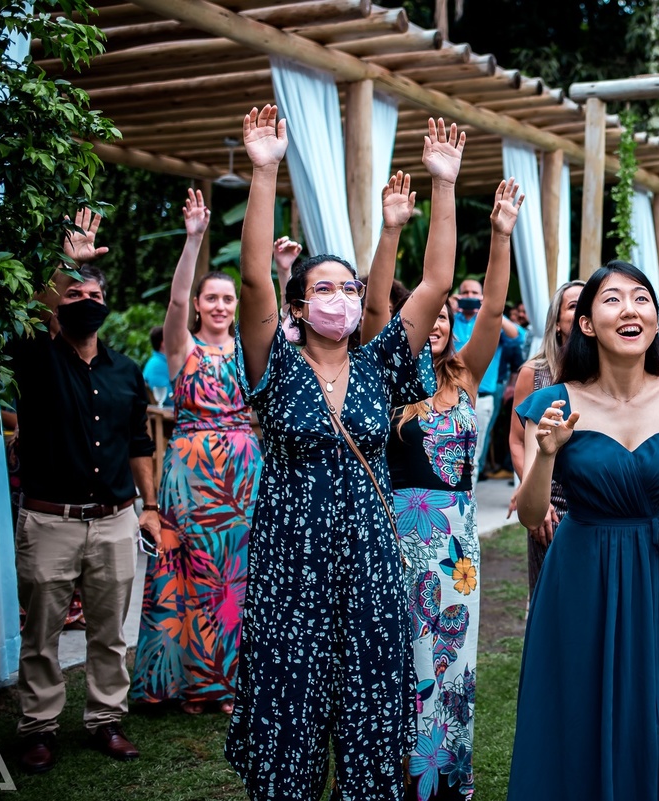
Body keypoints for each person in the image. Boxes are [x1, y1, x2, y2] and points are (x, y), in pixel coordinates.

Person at [223, 105, 461, 801]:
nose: (339, 297)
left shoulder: (381, 365)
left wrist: (443, 185)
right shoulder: (277, 365)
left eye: (349, 287)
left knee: (370, 701)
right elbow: (254, 282)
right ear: (297, 307)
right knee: (289, 700)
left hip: (369, 556)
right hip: (291, 559)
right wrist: (265, 169)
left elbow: (436, 284)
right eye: (322, 287)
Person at [509, 261, 659, 801]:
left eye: (642, 298)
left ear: (655, 319)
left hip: (649, 573)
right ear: (586, 324)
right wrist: (543, 458)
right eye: (612, 300)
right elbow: (530, 512)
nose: (630, 309)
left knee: (654, 706)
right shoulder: (552, 401)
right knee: (576, 708)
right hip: (578, 573)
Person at [378, 179, 523, 801]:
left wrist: (501, 235)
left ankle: (448, 779)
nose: (435, 323)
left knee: (454, 660)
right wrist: (393, 230)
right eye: (426, 315)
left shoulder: (465, 375)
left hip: (457, 540)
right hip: (397, 532)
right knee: (401, 660)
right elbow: (381, 308)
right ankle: (400, 773)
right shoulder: (383, 377)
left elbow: (492, 308)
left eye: (443, 315)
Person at [9, 207, 160, 772]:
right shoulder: (36, 359)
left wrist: (148, 508)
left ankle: (105, 720)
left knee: (109, 630)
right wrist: (69, 263)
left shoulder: (125, 372)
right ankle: (38, 728)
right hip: (50, 520)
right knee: (42, 631)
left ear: (106, 303)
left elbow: (139, 442)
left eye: (91, 294)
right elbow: (37, 307)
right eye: (72, 295)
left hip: (116, 517)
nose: (82, 300)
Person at [129, 189, 262, 717]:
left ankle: (225, 686)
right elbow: (177, 302)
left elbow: (273, 322)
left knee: (235, 577)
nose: (221, 306)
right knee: (188, 571)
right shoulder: (182, 349)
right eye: (214, 299)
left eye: (229, 300)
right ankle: (184, 685)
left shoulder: (250, 352)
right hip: (190, 473)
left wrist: (279, 271)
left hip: (242, 472)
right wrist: (193, 239)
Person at [507, 279, 584, 597]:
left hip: (595, 503)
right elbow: (515, 441)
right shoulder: (534, 374)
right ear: (556, 323)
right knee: (548, 598)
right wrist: (535, 500)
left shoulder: (610, 375)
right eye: (573, 305)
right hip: (549, 505)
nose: (582, 311)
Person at [451, 277, 522, 479]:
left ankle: (468, 507)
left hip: (481, 397)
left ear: (482, 296)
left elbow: (518, 336)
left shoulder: (490, 321)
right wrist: (448, 303)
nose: (470, 297)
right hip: (449, 393)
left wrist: (489, 309)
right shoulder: (450, 318)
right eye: (465, 293)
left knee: (473, 456)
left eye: (475, 293)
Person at [142, 325, 172, 406]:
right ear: (163, 344)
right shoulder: (157, 366)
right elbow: (168, 399)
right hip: (167, 416)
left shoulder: (163, 363)